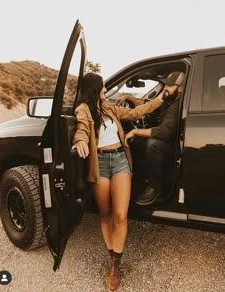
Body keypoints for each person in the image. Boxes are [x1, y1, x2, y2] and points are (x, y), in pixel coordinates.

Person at [72, 72, 164, 291]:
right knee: (105, 214)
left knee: (120, 216)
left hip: (121, 160)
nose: (105, 89)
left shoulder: (110, 107)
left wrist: (161, 100)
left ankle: (115, 265)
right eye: (103, 86)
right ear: (94, 89)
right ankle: (111, 255)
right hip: (100, 164)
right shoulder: (83, 109)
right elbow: (81, 129)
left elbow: (134, 113)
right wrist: (80, 141)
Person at [124, 71, 185, 206]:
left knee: (153, 144)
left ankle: (155, 187)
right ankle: (138, 179)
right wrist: (128, 97)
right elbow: (149, 104)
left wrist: (135, 131)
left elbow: (164, 132)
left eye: (169, 86)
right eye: (165, 86)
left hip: (176, 146)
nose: (165, 89)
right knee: (138, 141)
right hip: (170, 141)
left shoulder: (177, 106)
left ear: (179, 89)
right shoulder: (170, 99)